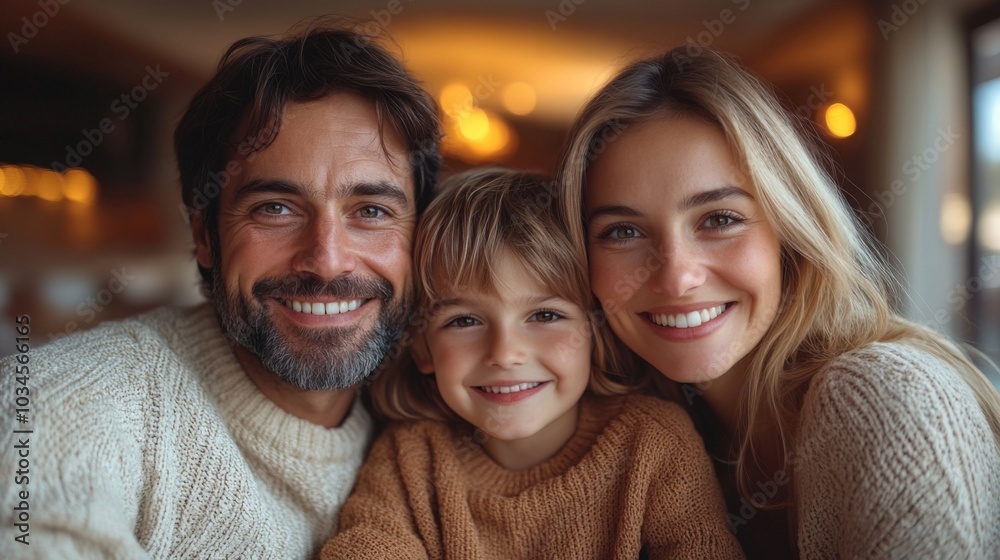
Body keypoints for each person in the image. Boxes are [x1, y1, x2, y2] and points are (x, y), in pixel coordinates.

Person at [0, 19, 441, 558]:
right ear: (204, 235)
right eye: (274, 208)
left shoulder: (439, 413)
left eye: (371, 211)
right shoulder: (59, 405)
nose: (326, 261)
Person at [558, 47, 1000, 558]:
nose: (677, 277)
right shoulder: (642, 436)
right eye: (623, 231)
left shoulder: (882, 395)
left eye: (720, 219)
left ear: (789, 232)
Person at [319, 168, 745, 559]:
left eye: (545, 316)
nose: (504, 353)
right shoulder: (412, 456)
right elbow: (366, 545)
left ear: (595, 332)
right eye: (463, 321)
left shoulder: (652, 441)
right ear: (421, 349)